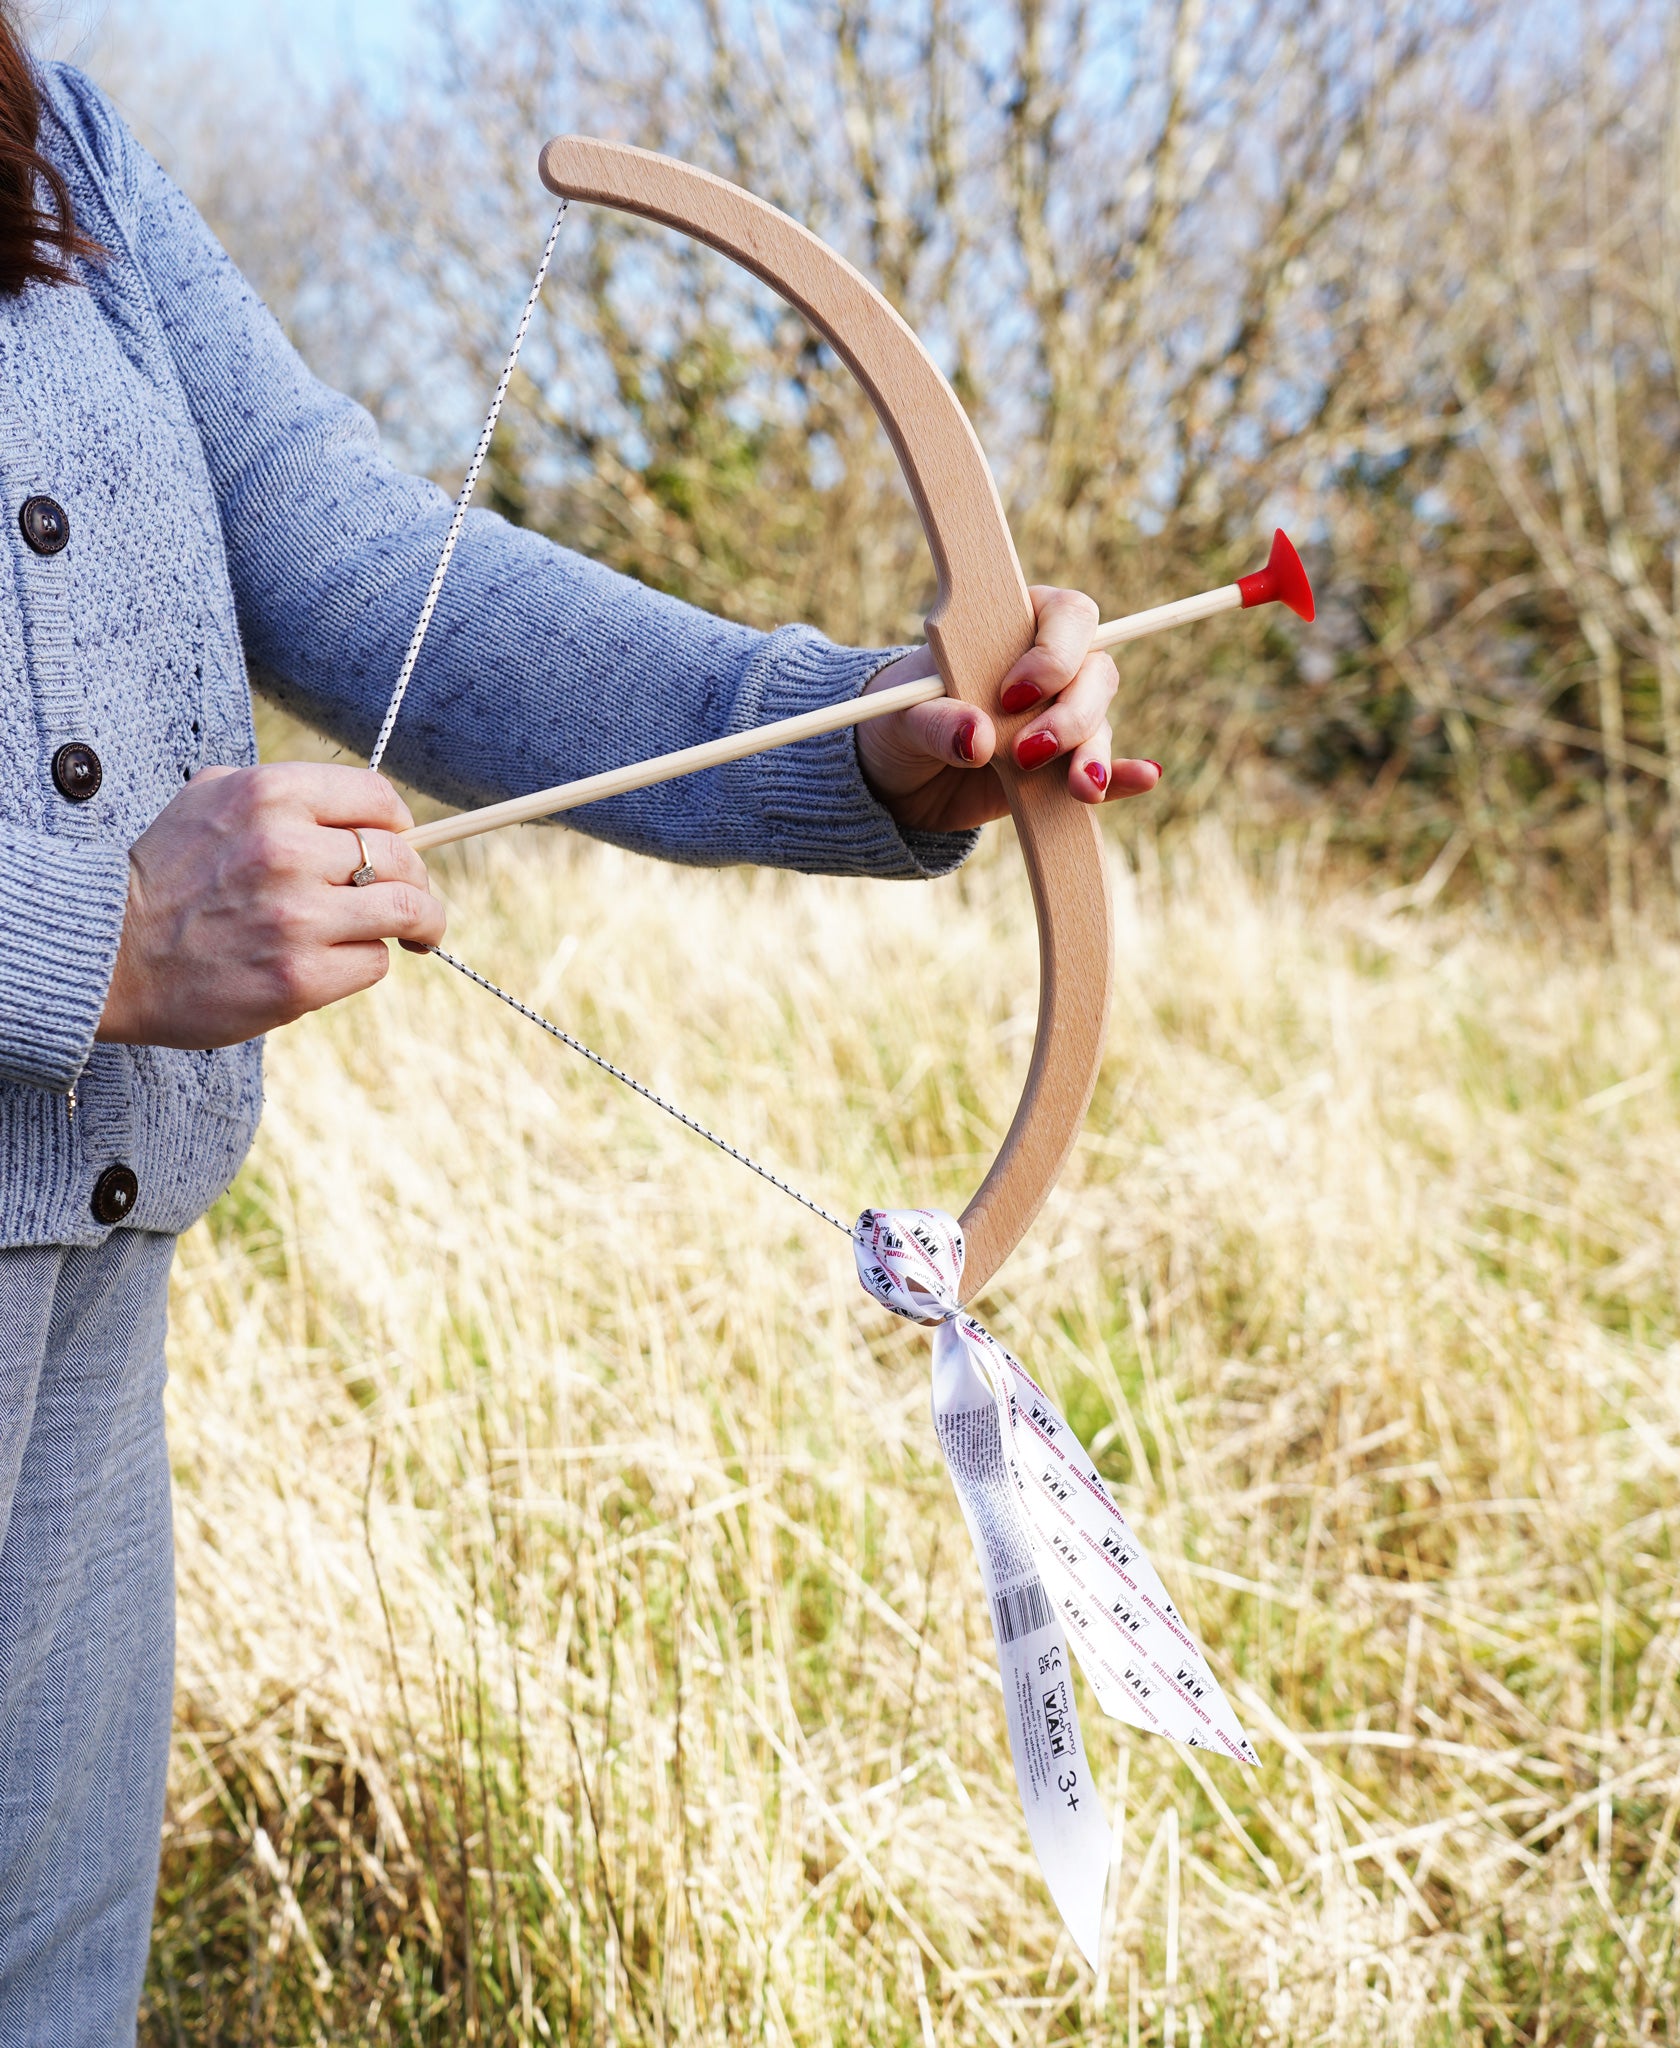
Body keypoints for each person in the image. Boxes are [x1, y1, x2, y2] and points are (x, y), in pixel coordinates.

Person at [0, 19, 1159, 2040]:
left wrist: (867, 737)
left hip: (80, 1315)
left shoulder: (53, 140)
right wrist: (75, 941)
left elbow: (372, 561)